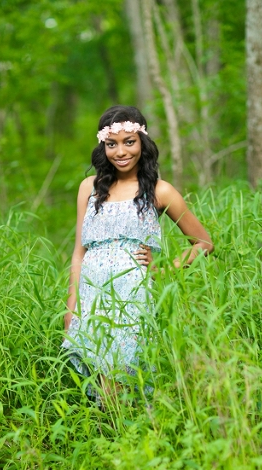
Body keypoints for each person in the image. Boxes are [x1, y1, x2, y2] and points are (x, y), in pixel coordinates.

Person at [62, 105, 213, 407]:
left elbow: (203, 242)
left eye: (129, 141)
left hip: (131, 295)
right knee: (99, 378)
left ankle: (124, 439)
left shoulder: (160, 191)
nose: (120, 151)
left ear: (143, 141)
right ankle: (117, 437)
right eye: (111, 144)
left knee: (119, 379)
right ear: (102, 146)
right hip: (92, 295)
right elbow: (79, 253)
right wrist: (71, 306)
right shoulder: (88, 189)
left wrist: (167, 268)